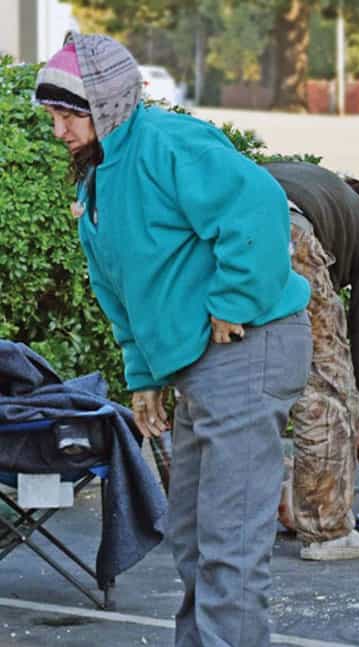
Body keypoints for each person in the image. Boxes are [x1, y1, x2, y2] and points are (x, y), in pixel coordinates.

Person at [35, 33, 312, 646]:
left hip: (250, 345)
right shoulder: (99, 181)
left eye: (67, 115)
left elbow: (260, 204)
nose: (58, 130)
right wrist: (144, 379)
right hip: (198, 363)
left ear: (107, 104)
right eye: (52, 116)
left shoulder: (167, 143)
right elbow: (123, 292)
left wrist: (234, 300)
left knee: (228, 543)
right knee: (189, 532)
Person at [263, 161, 359, 561]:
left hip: (213, 231)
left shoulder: (303, 179)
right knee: (324, 386)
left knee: (221, 373)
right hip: (286, 231)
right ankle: (327, 530)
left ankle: (206, 515)